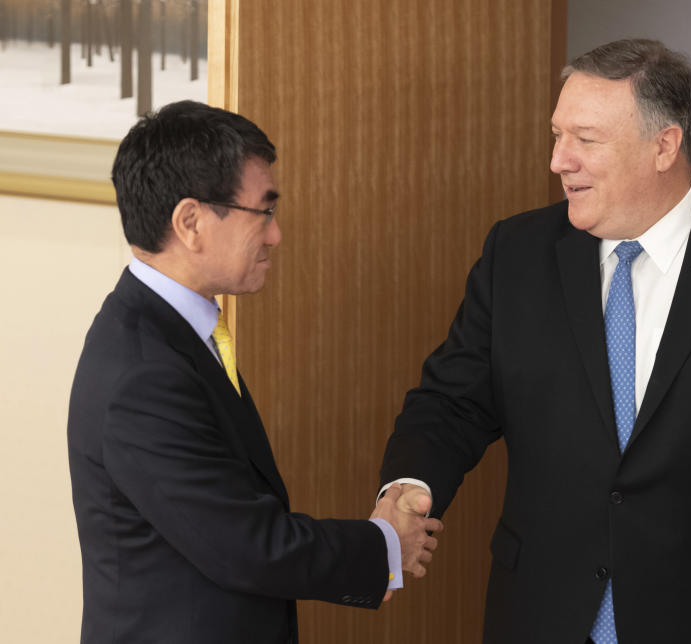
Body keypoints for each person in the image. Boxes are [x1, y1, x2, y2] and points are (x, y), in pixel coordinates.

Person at [379, 39, 691, 643]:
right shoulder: (517, 254)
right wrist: (410, 487)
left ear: (664, 145)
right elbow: (451, 402)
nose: (559, 160)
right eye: (557, 135)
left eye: (586, 140)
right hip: (542, 619)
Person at [67, 100, 441, 644]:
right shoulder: (144, 375)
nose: (275, 235)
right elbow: (245, 545)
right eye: (262, 212)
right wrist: (384, 543)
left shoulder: (169, 331)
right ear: (190, 222)